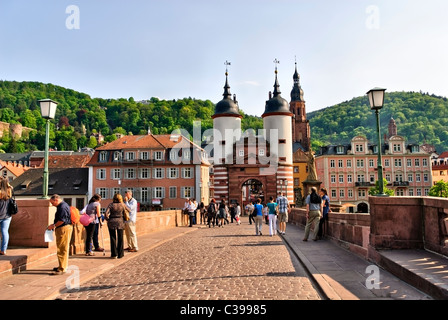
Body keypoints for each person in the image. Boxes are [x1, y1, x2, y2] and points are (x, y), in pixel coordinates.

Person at [47, 194, 73, 275]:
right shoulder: (63, 205)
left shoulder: (62, 207)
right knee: (62, 248)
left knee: (62, 248)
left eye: (52, 203)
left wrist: (53, 226)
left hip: (63, 229)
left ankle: (62, 268)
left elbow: (62, 220)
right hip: (64, 228)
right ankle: (62, 265)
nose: (52, 204)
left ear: (56, 200)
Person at [105, 193, 128, 259]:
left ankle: (114, 254)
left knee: (113, 238)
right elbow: (129, 210)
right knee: (120, 238)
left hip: (112, 221)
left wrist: (108, 219)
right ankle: (120, 254)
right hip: (120, 221)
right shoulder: (122, 205)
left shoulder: (111, 205)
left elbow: (106, 213)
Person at [0, 178, 13, 255]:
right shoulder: (9, 192)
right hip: (7, 216)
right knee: (5, 232)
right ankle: (3, 250)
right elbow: (10, 187)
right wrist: (8, 185)